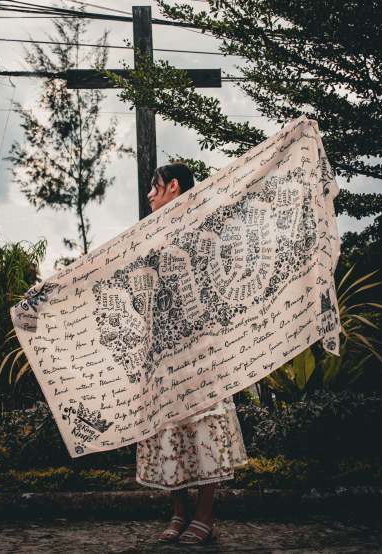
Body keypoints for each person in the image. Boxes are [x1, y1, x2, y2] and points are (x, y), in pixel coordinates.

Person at [135, 162, 248, 545]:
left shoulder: (203, 228)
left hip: (199, 351)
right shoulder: (148, 235)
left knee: (203, 429)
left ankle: (204, 516)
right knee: (169, 429)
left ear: (173, 186)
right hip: (161, 352)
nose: (150, 194)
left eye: (155, 187)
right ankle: (178, 513)